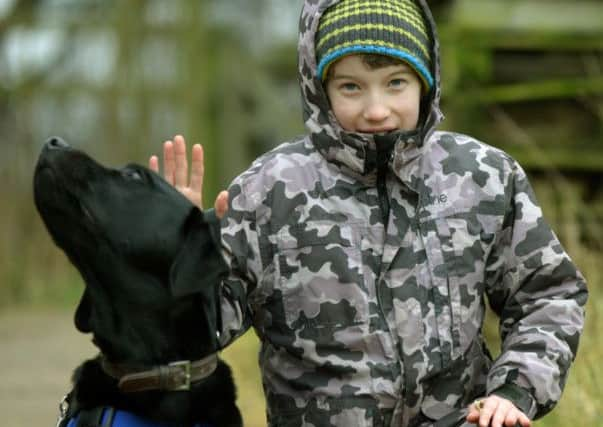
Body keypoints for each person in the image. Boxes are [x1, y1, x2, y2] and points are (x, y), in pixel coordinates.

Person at [149, 1, 588, 426]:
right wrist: (176, 257)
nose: (376, 110)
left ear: (426, 81)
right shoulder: (269, 191)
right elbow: (189, 336)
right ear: (319, 90)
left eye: (396, 82)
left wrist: (515, 391)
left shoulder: (483, 177)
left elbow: (548, 295)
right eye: (351, 87)